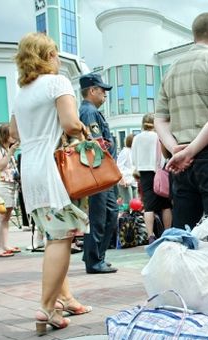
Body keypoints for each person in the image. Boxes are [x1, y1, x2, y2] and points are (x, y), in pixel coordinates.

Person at [12, 32, 92, 334]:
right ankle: (46, 307)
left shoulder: (22, 92)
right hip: (51, 166)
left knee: (52, 235)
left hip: (30, 166)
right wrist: (82, 129)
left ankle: (59, 306)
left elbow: (14, 132)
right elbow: (70, 124)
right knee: (61, 238)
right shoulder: (57, 83)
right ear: (49, 56)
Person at [155, 12, 208, 246]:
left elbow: (159, 120)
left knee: (184, 234)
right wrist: (190, 151)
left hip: (180, 163)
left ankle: (181, 271)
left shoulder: (171, 69)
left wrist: (176, 150)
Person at [78, 72, 118, 274]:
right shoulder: (89, 112)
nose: (105, 94)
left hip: (103, 173)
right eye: (102, 90)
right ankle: (94, 261)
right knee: (99, 217)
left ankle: (96, 256)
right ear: (92, 90)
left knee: (110, 214)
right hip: (98, 172)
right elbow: (95, 144)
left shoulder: (91, 111)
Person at [130, 113, 172, 243]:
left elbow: (133, 158)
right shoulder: (158, 136)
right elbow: (164, 155)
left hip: (144, 172)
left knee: (149, 206)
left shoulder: (137, 138)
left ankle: (150, 236)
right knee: (165, 205)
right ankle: (167, 232)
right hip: (159, 172)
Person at [0, 123, 21, 257]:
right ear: (4, 135)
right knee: (0, 215)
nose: (14, 136)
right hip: (1, 184)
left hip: (11, 184)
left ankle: (5, 244)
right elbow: (1, 165)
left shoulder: (8, 149)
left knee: (7, 216)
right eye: (11, 134)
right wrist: (10, 152)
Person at [116, 134, 136, 207]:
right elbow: (119, 166)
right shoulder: (125, 151)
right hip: (126, 181)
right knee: (127, 204)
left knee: (135, 204)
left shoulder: (133, 151)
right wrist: (122, 179)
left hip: (133, 181)